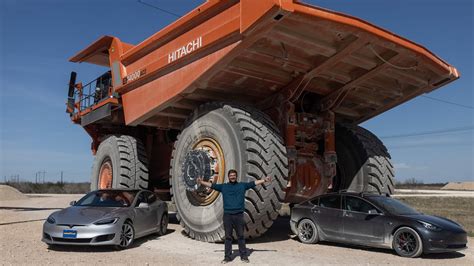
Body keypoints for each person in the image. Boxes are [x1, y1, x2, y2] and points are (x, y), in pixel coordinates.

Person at [197, 169, 271, 264]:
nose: (232, 177)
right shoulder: (224, 187)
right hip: (227, 215)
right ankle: (227, 257)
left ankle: (244, 256)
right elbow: (212, 185)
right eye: (231, 175)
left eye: (234, 175)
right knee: (228, 237)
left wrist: (264, 180)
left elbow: (253, 183)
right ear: (228, 177)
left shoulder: (242, 185)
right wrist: (201, 182)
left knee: (240, 236)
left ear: (236, 176)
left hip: (239, 215)